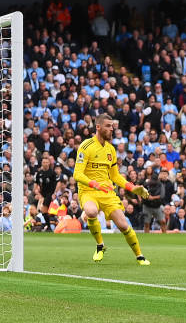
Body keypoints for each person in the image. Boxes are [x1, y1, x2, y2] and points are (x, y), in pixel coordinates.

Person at [73, 114, 151, 265]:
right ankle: (100, 246)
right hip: (88, 191)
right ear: (98, 127)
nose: (112, 129)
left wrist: (133, 188)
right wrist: (95, 184)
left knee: (123, 225)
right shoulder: (86, 146)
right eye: (108, 126)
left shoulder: (111, 150)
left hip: (107, 192)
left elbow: (115, 176)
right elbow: (77, 174)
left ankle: (140, 256)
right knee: (91, 212)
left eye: (112, 126)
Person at [34, 158, 57, 231]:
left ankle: (49, 226)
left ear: (49, 163)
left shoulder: (52, 173)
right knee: (44, 211)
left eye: (47, 162)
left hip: (50, 193)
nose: (45, 163)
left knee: (43, 209)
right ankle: (49, 227)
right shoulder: (39, 173)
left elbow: (57, 183)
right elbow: (36, 183)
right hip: (42, 194)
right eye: (44, 162)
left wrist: (54, 193)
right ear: (42, 163)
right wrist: (36, 191)